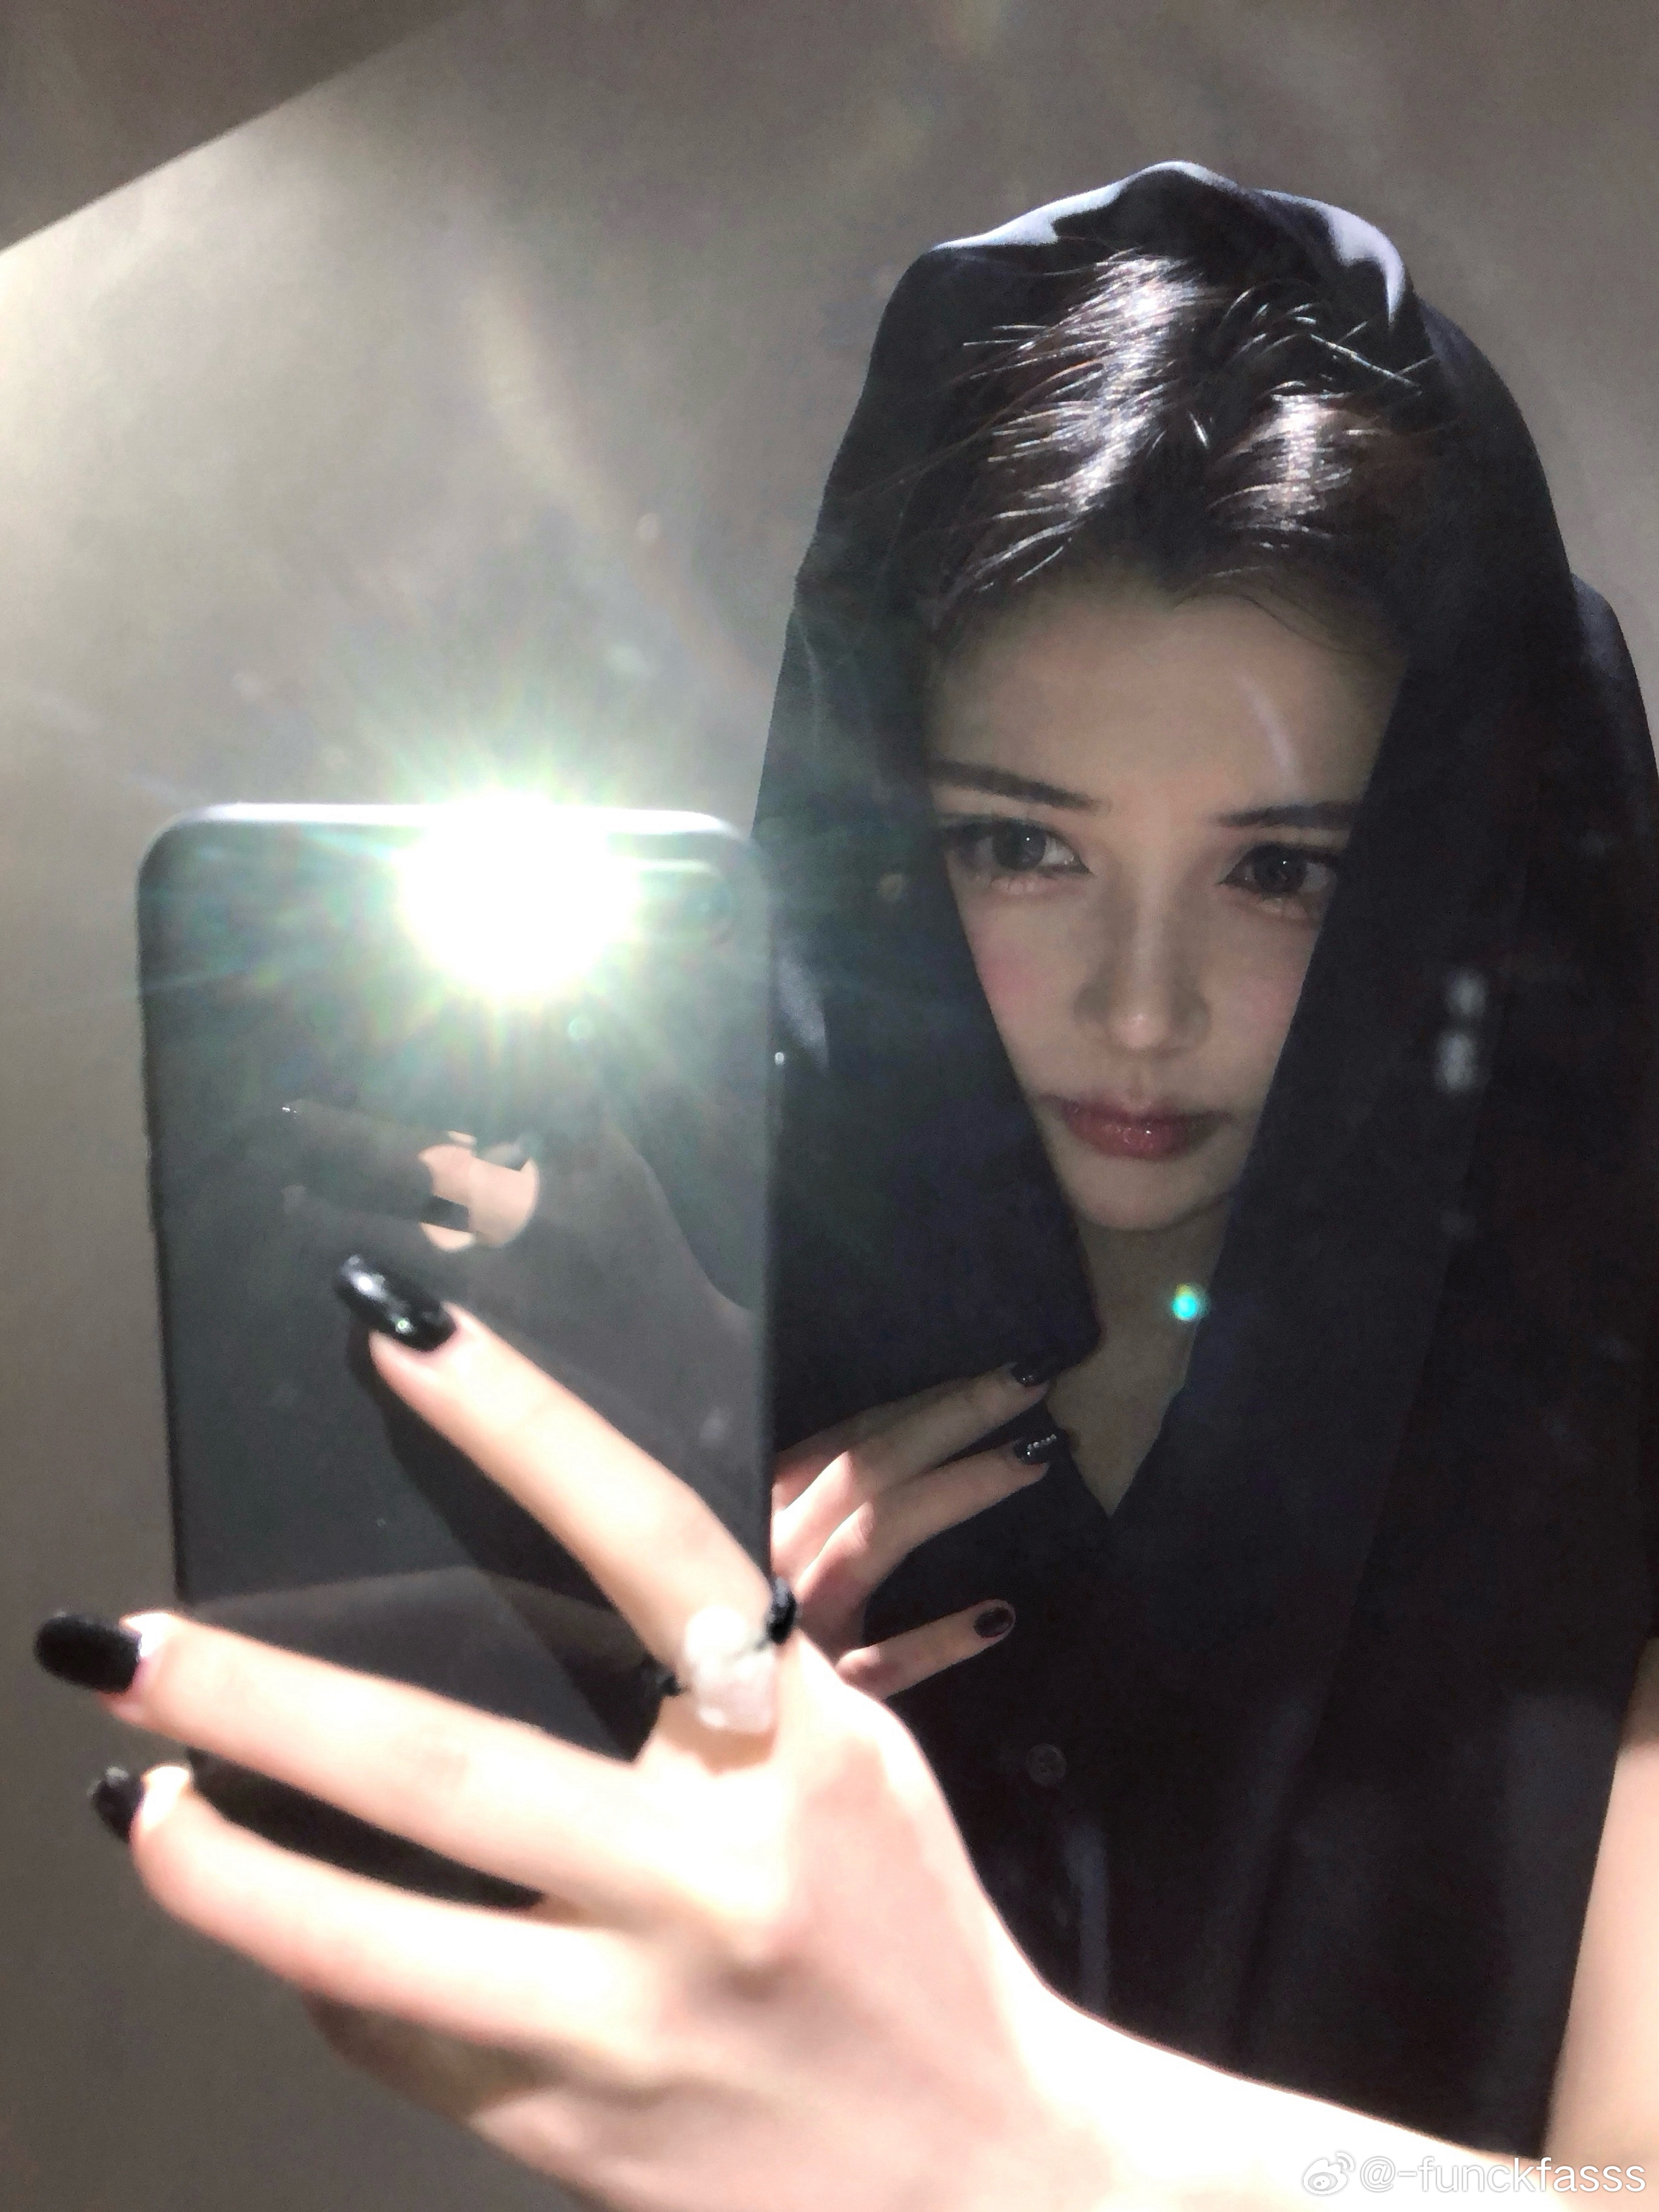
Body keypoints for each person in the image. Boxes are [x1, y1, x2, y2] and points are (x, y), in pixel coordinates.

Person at [32, 164, 1659, 2202]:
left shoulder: (1619, 1441)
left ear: (1442, 877)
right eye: (1022, 847)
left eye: (1278, 870)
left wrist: (1007, 2115)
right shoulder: (727, 1377)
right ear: (886, 841)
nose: (1137, 1006)